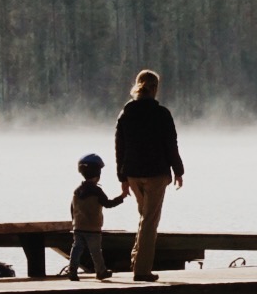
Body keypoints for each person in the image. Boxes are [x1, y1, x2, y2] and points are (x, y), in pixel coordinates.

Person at [114, 69, 184, 281]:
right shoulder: (161, 114)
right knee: (150, 221)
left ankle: (137, 261)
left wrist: (122, 178)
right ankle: (142, 271)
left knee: (145, 218)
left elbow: (120, 147)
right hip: (155, 174)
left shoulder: (126, 113)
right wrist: (178, 170)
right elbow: (171, 144)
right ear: (154, 88)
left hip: (133, 174)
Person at [68, 153, 126, 281]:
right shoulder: (97, 191)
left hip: (78, 227)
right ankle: (101, 271)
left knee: (76, 249)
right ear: (97, 175)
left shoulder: (77, 191)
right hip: (93, 228)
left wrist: (74, 222)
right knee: (95, 251)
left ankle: (72, 270)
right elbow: (108, 204)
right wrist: (122, 197)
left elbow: (72, 208)